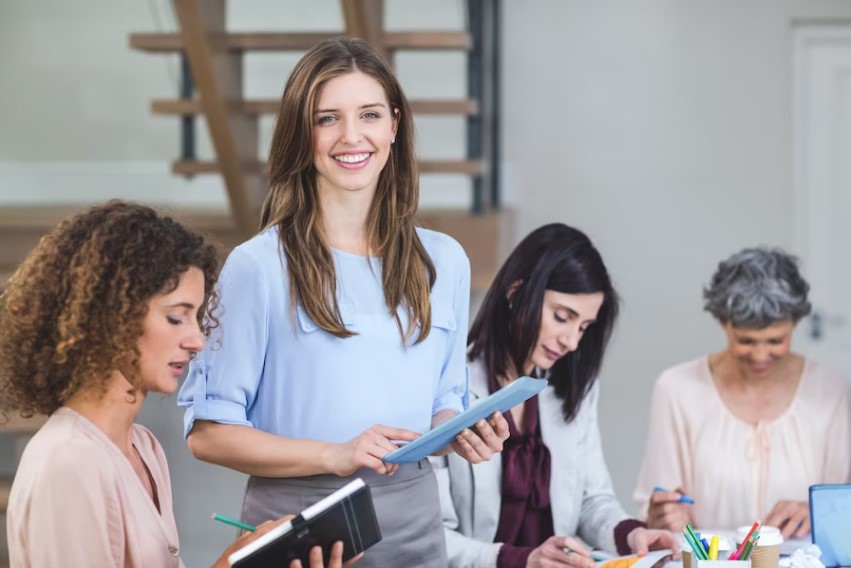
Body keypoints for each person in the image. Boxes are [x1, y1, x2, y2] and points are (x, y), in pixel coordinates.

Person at [177, 36, 508, 568]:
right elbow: (209, 436)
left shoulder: (445, 262)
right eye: (327, 118)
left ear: (394, 127)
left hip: (419, 527)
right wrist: (334, 454)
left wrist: (463, 431)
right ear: (300, 134)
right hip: (306, 529)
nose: (351, 136)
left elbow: (445, 402)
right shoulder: (257, 267)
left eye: (369, 115)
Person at [0, 201, 347, 568]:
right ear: (110, 318)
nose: (197, 340)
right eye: (176, 317)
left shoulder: (144, 448)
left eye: (197, 317)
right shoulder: (70, 461)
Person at [433, 223, 679, 568]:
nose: (572, 342)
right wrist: (520, 561)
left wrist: (631, 534)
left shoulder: (571, 386)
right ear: (516, 293)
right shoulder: (446, 387)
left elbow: (593, 500)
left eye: (583, 327)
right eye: (562, 317)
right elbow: (431, 538)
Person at [634, 247, 851, 538]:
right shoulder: (676, 389)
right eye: (746, 341)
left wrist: (819, 512)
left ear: (796, 324)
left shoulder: (832, 392)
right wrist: (665, 517)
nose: (760, 355)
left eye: (775, 340)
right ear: (723, 323)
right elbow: (657, 508)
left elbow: (843, 512)